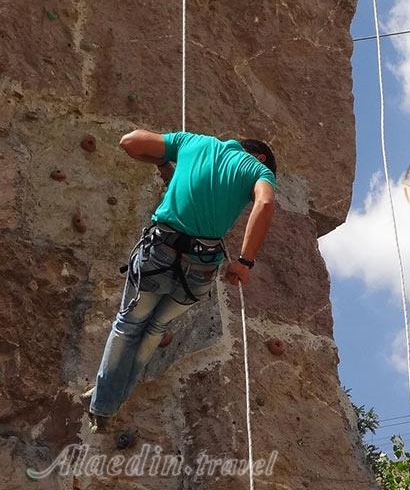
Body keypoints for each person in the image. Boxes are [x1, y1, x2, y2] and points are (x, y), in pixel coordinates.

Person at [85, 130, 277, 433]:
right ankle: (107, 398)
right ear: (261, 155)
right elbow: (264, 203)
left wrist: (165, 164)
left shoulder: (193, 142)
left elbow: (129, 143)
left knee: (128, 325)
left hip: (158, 253)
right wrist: (244, 262)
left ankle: (104, 403)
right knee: (155, 328)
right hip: (199, 269)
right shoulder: (257, 169)